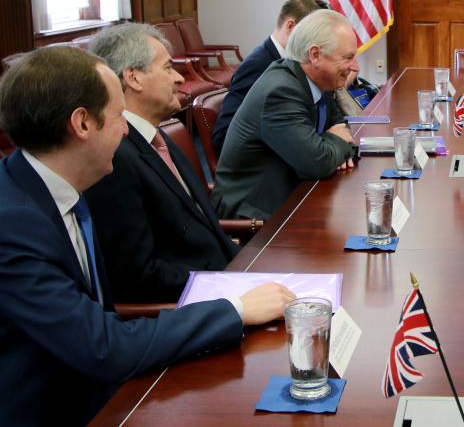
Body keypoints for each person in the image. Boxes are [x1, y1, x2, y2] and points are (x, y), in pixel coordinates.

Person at [0, 46, 294, 424]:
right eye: (118, 115)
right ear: (82, 124)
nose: (126, 129)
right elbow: (101, 345)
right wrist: (236, 309)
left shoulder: (62, 185)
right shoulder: (13, 226)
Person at [84, 24, 238, 302]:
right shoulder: (114, 158)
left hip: (230, 277)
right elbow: (138, 277)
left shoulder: (159, 138)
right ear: (133, 78)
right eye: (168, 68)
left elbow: (201, 228)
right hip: (201, 303)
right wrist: (226, 288)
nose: (179, 78)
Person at [212, 9, 360, 220]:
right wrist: (335, 142)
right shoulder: (281, 92)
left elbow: (339, 125)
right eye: (348, 58)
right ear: (315, 55)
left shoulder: (320, 82)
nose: (355, 67)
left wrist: (332, 143)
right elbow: (317, 162)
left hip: (296, 193)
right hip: (257, 214)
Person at [212, 0, 321, 154]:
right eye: (310, 36)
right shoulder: (257, 65)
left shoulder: (292, 61)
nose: (313, 44)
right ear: (290, 26)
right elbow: (224, 136)